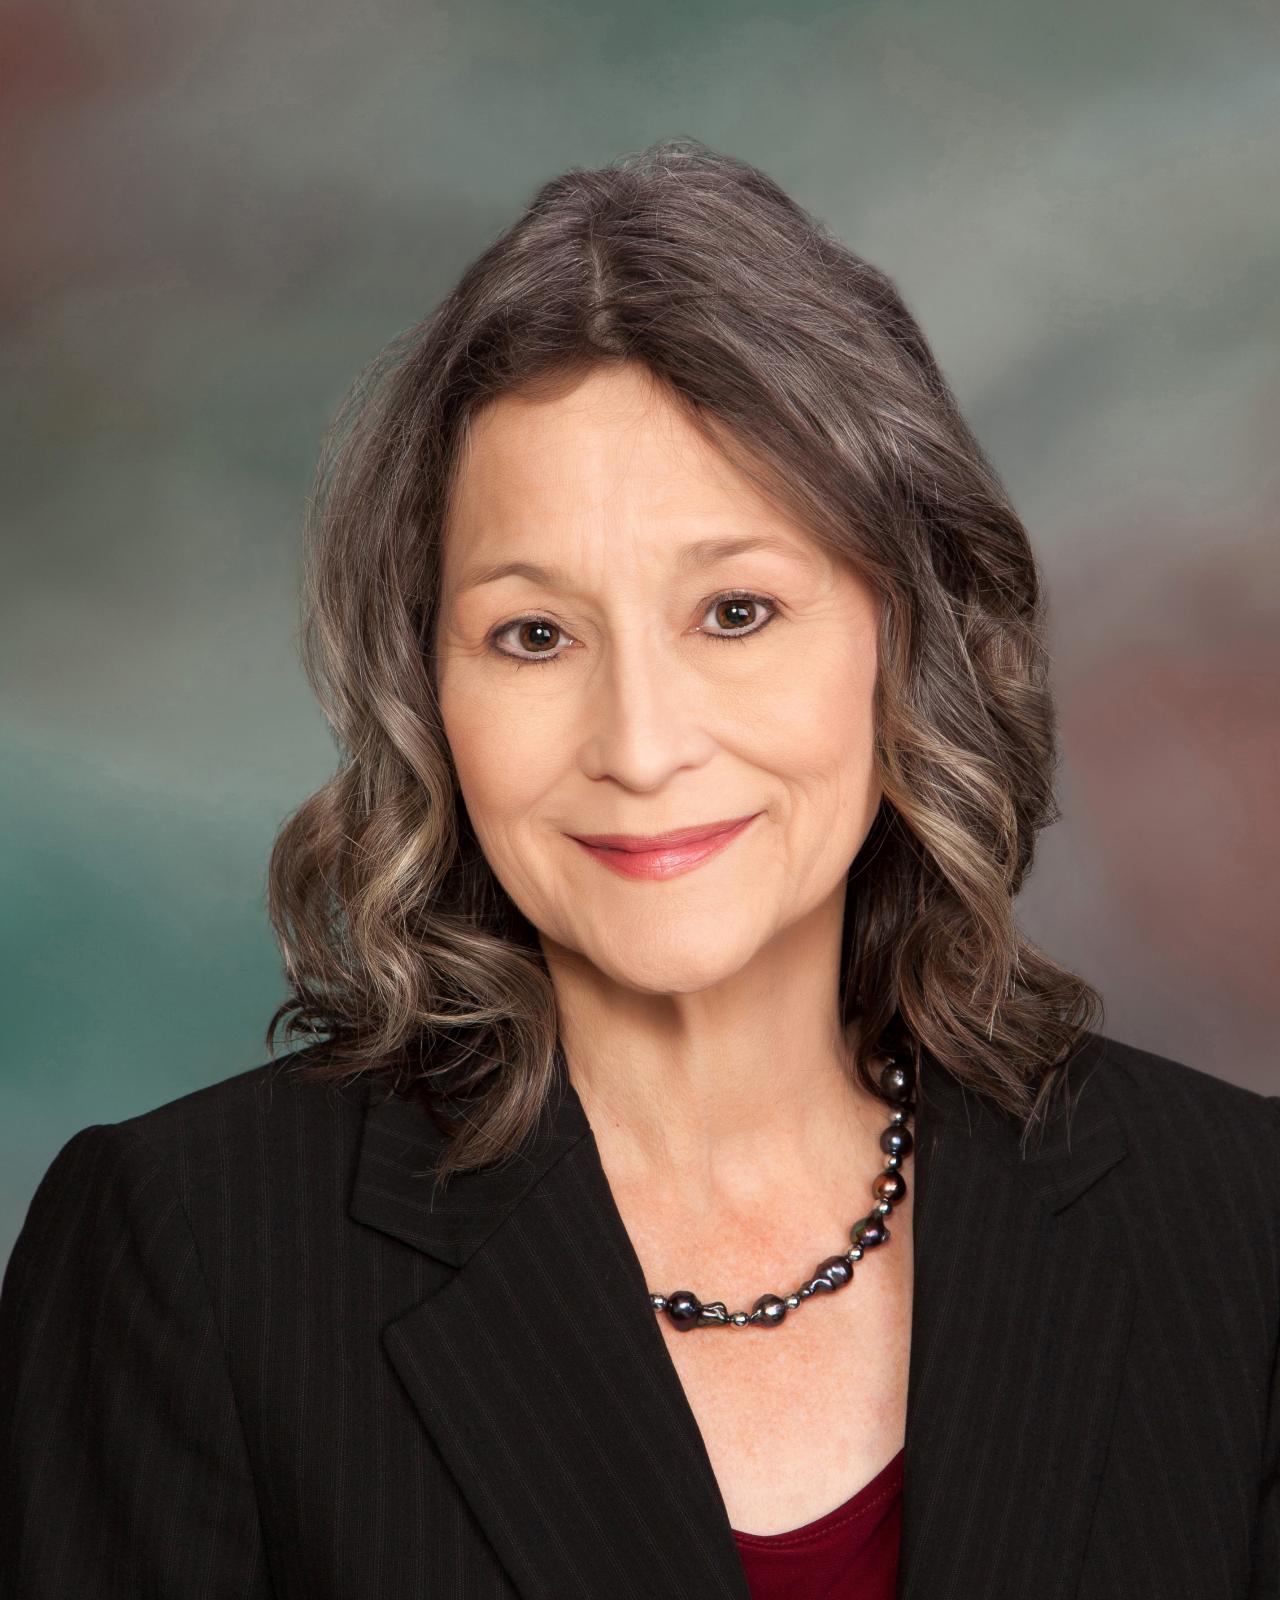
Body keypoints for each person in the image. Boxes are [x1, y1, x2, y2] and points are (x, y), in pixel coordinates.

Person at [1, 138, 1276, 1600]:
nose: (641, 745)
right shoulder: (190, 1256)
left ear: (907, 639)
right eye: (534, 635)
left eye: (735, 612)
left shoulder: (1237, 1227)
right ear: (427, 694)